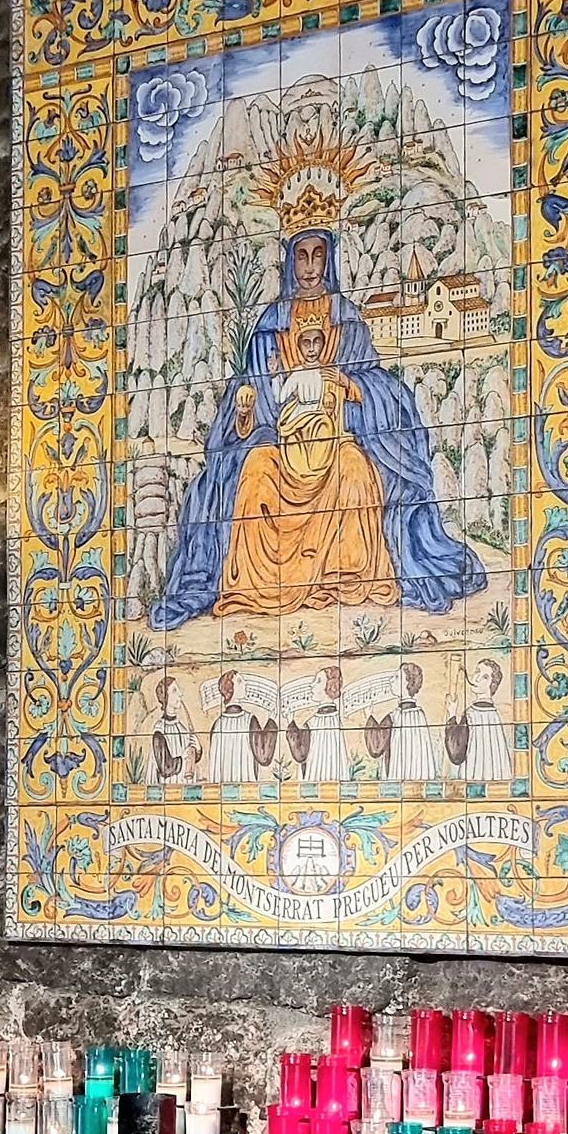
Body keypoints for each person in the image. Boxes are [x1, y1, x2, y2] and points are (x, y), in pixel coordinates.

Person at [149, 227, 485, 629]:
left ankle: (350, 579)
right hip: (282, 441)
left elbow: (378, 385)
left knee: (355, 469)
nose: (310, 266)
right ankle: (257, 588)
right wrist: (244, 413)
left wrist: (349, 385)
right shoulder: (270, 326)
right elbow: (256, 398)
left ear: (329, 259)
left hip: (335, 439)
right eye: (302, 255)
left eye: (318, 254)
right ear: (290, 260)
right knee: (255, 471)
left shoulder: (348, 321)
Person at [365, 661, 438, 781]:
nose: (391, 680)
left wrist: (369, 717)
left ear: (407, 683)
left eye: (396, 677)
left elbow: (376, 748)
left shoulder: (395, 717)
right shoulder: (420, 715)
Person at [445, 657, 513, 783]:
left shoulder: (471, 715)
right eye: (477, 672)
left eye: (485, 677)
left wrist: (452, 715)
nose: (476, 678)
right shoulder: (494, 716)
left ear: (492, 684)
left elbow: (456, 754)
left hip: (473, 778)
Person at [204, 669, 277, 784]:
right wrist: (272, 721)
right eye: (239, 681)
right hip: (246, 789)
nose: (245, 683)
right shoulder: (249, 720)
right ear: (230, 688)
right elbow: (264, 756)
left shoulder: (217, 724)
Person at [286, 666, 350, 783]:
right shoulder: (336, 720)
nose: (312, 685)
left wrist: (291, 724)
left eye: (318, 681)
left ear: (330, 687)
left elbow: (300, 755)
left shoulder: (313, 723)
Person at [150, 676, 201, 781]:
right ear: (165, 697)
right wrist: (183, 757)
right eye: (174, 691)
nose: (180, 694)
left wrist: (197, 749)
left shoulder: (181, 727)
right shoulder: (159, 731)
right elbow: (165, 768)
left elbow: (190, 757)